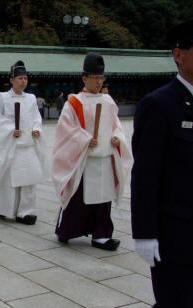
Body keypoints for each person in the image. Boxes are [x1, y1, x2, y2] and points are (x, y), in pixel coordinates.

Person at [131, 18, 193, 308]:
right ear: (179, 54)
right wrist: (144, 232)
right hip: (177, 236)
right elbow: (145, 174)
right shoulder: (159, 105)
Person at [52, 53, 133, 251]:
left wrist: (117, 137)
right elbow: (65, 129)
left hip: (105, 156)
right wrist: (84, 139)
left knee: (103, 199)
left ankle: (101, 235)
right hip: (83, 159)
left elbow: (116, 125)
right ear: (84, 78)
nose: (99, 81)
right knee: (78, 198)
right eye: (95, 77)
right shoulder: (74, 103)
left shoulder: (108, 101)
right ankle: (67, 230)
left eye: (101, 77)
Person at [0, 61, 49, 225]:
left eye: (25, 78)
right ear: (11, 80)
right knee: (10, 182)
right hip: (11, 146)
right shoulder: (3, 99)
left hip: (28, 146)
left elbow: (36, 117)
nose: (23, 81)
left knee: (29, 180)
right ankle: (5, 209)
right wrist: (9, 130)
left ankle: (25, 212)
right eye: (20, 78)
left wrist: (36, 128)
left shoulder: (31, 98)